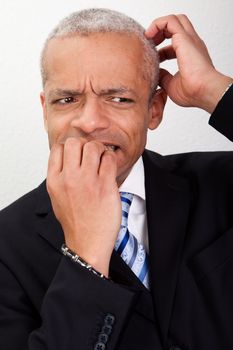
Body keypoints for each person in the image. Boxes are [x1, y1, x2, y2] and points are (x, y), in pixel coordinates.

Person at [0, 8, 232, 350]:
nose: (90, 121)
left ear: (154, 109)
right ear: (45, 111)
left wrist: (214, 90)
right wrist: (87, 257)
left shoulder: (219, 182)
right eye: (67, 99)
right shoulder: (6, 244)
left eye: (119, 98)